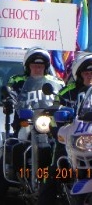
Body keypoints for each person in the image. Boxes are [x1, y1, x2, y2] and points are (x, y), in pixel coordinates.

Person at [0, 47, 65, 205]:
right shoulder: (18, 80)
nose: (37, 68)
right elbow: (11, 91)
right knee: (9, 153)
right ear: (28, 66)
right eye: (34, 65)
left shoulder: (56, 82)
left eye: (41, 65)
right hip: (25, 125)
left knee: (63, 151)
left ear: (46, 66)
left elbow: (64, 97)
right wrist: (9, 98)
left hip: (48, 125)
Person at [37, 53, 92, 204]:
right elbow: (53, 117)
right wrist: (58, 130)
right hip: (71, 142)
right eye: (86, 73)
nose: (90, 76)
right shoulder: (66, 92)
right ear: (79, 75)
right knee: (54, 172)